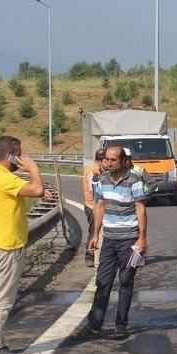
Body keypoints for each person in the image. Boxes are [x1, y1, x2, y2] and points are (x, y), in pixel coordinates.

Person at [0, 136, 50, 354]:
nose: (22, 157)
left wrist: (34, 185)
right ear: (11, 155)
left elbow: (25, 191)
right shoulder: (4, 179)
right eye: (20, 154)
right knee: (1, 300)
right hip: (6, 247)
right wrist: (34, 169)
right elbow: (37, 189)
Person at [72, 145, 147, 341]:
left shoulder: (134, 180)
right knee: (103, 281)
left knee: (125, 282)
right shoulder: (102, 179)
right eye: (106, 159)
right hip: (110, 239)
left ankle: (121, 325)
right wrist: (95, 235)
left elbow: (140, 208)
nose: (109, 163)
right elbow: (99, 207)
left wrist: (142, 237)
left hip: (129, 240)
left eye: (113, 160)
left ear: (123, 161)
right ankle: (94, 325)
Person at [82, 148, 106, 267]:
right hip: (93, 207)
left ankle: (97, 254)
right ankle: (89, 255)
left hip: (94, 206)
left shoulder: (98, 169)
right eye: (106, 160)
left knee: (97, 231)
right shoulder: (93, 172)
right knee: (94, 231)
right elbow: (95, 192)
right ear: (100, 160)